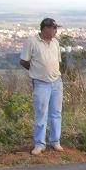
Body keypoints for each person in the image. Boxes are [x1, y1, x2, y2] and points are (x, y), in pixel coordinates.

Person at [19, 18, 63, 155]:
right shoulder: (31, 41)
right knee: (41, 113)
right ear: (45, 28)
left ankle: (55, 142)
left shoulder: (55, 43)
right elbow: (23, 61)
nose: (56, 31)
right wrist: (36, 71)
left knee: (56, 113)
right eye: (54, 28)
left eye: (56, 28)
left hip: (56, 81)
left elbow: (57, 61)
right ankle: (39, 144)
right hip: (40, 82)